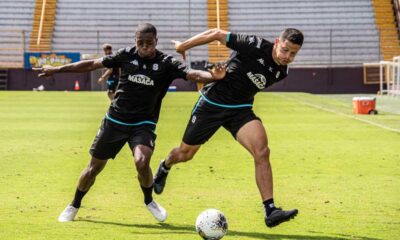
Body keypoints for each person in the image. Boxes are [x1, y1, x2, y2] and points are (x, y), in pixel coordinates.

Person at [33, 23, 226, 223]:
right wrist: (57, 70)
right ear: (135, 42)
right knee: (94, 168)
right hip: (115, 120)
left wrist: (213, 76)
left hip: (143, 124)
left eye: (149, 43)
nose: (144, 47)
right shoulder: (125, 55)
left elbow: (193, 74)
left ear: (156, 42)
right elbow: (92, 64)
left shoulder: (166, 63)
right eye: (140, 42)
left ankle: (149, 201)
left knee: (142, 162)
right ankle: (74, 204)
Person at [153, 28, 304, 228]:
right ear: (277, 42)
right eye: (285, 50)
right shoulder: (255, 44)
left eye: (293, 53)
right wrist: (183, 46)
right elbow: (216, 33)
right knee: (185, 154)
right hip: (212, 103)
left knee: (262, 152)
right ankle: (165, 166)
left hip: (240, 109)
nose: (287, 57)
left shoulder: (281, 72)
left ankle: (270, 210)